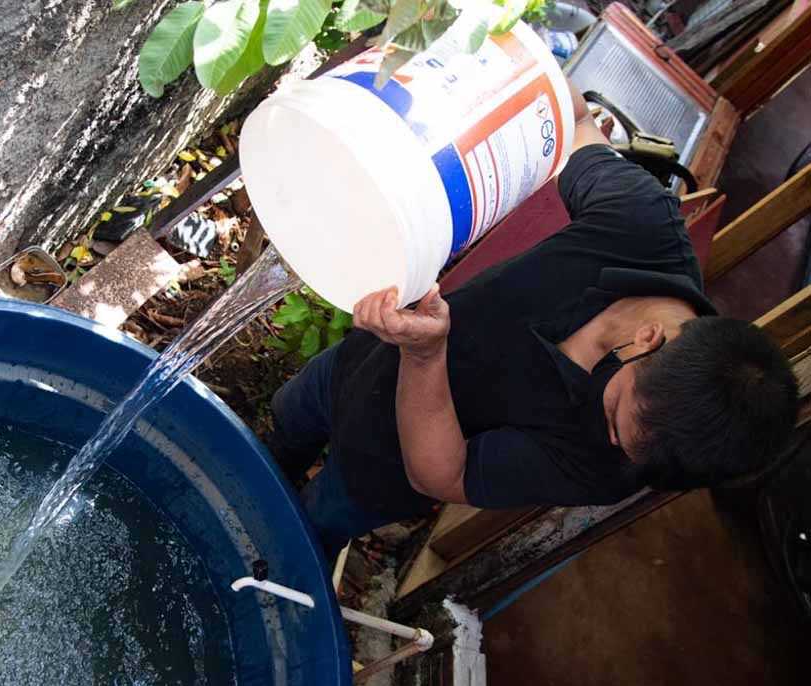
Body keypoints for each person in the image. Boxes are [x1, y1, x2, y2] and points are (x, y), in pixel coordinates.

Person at [266, 83, 799, 557]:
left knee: (304, 535)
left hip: (381, 468)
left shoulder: (611, 466)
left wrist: (426, 353)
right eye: (616, 417)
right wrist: (510, 65)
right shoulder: (641, 227)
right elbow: (575, 120)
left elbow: (444, 473)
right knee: (288, 418)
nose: (611, 443)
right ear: (650, 338)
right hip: (363, 359)